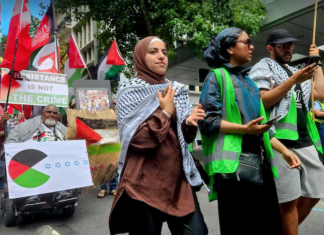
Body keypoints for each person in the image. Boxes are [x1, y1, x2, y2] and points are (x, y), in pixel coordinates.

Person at [199, 27, 301, 235]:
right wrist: (245, 129)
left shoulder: (251, 84)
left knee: (269, 225)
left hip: (261, 165)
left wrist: (285, 151)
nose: (252, 46)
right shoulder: (216, 77)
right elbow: (208, 121)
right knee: (239, 226)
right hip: (231, 169)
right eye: (246, 42)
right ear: (229, 48)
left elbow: (264, 130)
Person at [109, 36, 208, 235]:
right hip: (143, 184)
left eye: (164, 52)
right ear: (140, 57)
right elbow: (138, 140)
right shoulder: (128, 92)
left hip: (178, 181)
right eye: (153, 52)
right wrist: (163, 112)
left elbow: (185, 139)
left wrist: (189, 124)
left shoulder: (176, 90)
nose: (161, 56)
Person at [249, 29, 324, 235]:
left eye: (290, 44)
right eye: (283, 45)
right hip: (280, 140)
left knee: (315, 191)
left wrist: (316, 63)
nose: (288, 48)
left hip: (305, 139)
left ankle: (280, 230)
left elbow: (320, 94)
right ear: (271, 48)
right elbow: (261, 100)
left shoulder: (292, 71)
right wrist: (293, 81)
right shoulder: (262, 67)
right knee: (288, 202)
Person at [4, 105, 71, 200]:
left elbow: (73, 142)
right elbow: (13, 137)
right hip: (32, 160)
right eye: (48, 112)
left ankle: (61, 191)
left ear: (58, 115)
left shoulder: (62, 129)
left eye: (54, 113)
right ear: (42, 114)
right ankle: (31, 194)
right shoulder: (28, 125)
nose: (51, 114)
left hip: (55, 161)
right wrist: (10, 148)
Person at [0, 111, 10, 192]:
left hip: (2, 145)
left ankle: (1, 184)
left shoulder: (2, 109)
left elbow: (8, 133)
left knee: (1, 164)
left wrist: (3, 122)